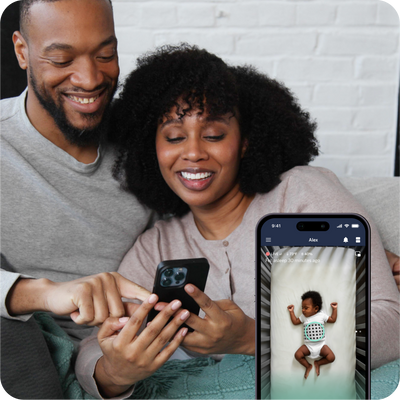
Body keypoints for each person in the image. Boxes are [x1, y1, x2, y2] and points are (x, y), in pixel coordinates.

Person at [76, 44, 400, 399]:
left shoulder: (302, 194)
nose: (194, 152)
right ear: (150, 147)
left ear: (245, 142)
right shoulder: (157, 246)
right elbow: (93, 347)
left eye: (213, 135)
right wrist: (116, 371)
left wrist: (251, 337)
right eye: (173, 136)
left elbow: (391, 324)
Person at [0, 1, 179, 398]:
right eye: (62, 58)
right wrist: (44, 292)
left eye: (106, 55)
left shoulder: (149, 141)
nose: (90, 78)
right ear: (21, 51)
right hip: (37, 362)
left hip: (131, 362)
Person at [288, 291, 337, 378]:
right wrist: (291, 312)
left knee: (331, 357)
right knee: (297, 355)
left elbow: (332, 319)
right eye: (302, 308)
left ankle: (318, 363)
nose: (303, 310)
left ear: (315, 308)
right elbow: (295, 321)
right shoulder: (304, 317)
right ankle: (308, 366)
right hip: (308, 346)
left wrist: (334, 309)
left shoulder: (321, 315)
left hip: (321, 346)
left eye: (306, 308)